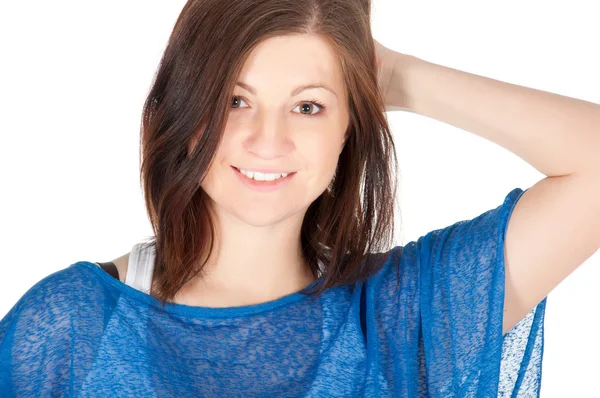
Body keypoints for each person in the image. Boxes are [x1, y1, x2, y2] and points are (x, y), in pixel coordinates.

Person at [1, 0, 599, 396]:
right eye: (236, 100)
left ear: (348, 126)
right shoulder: (72, 324)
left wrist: (394, 77)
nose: (269, 139)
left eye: (308, 105)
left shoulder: (401, 316)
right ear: (186, 110)